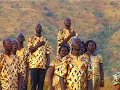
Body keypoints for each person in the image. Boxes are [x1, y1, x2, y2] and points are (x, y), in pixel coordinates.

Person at [27, 22, 51, 90]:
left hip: (43, 66)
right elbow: (30, 50)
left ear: (41, 29)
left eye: (40, 27)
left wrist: (47, 63)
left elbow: (48, 53)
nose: (39, 28)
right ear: (35, 28)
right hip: (34, 65)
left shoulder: (45, 40)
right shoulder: (31, 38)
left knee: (41, 86)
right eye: (37, 26)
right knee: (33, 85)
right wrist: (38, 45)